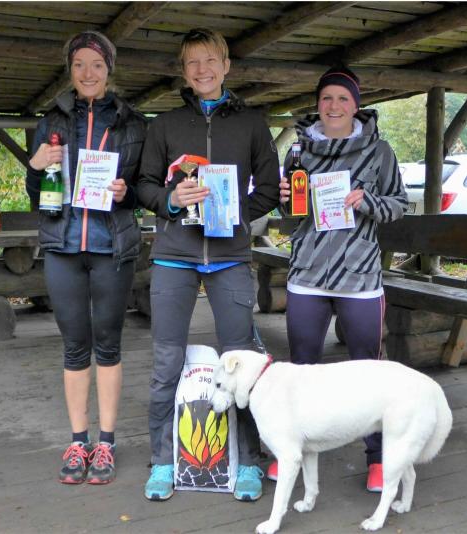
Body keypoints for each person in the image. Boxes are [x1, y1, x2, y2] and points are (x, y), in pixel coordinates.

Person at [137, 28, 280, 502]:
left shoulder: (253, 123)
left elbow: (269, 188)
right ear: (183, 71)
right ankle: (163, 462)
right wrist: (171, 200)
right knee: (166, 362)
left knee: (243, 363)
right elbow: (144, 185)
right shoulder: (164, 125)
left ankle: (249, 462)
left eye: (210, 60)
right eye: (193, 62)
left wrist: (233, 212)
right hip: (174, 255)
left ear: (226, 65)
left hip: (229, 257)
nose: (202, 70)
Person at [269, 64, 408, 493]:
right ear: (317, 104)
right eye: (327, 98)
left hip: (359, 276)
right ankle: (290, 453)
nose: (334, 106)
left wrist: (367, 201)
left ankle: (378, 458)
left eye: (343, 98)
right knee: (301, 369)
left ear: (356, 105)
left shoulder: (379, 152)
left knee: (369, 372)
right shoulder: (299, 151)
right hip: (307, 275)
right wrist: (284, 201)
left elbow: (398, 205)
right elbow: (290, 216)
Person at [26, 30, 147, 486]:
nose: (88, 73)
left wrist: (125, 192)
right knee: (75, 345)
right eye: (79, 64)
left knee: (108, 344)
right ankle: (79, 441)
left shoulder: (133, 123)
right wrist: (35, 166)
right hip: (62, 247)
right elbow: (36, 192)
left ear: (108, 69)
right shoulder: (51, 120)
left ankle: (107, 442)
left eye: (96, 64)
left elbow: (146, 189)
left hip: (111, 247)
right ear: (70, 71)